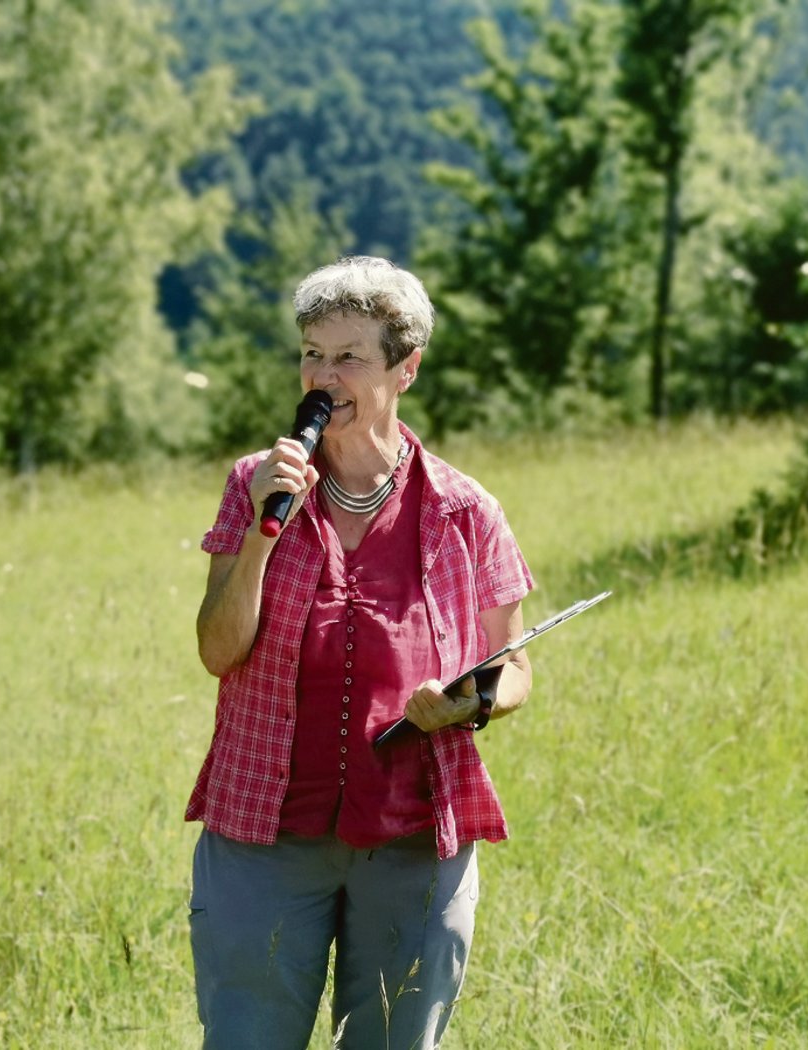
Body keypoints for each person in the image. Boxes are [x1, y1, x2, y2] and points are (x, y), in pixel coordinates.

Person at [187, 255, 534, 1049]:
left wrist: (471, 702)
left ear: (406, 369)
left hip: (412, 834)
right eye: (312, 352)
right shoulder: (254, 483)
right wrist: (260, 535)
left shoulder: (463, 508)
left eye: (349, 357)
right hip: (264, 831)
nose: (322, 374)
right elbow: (217, 649)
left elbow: (512, 665)